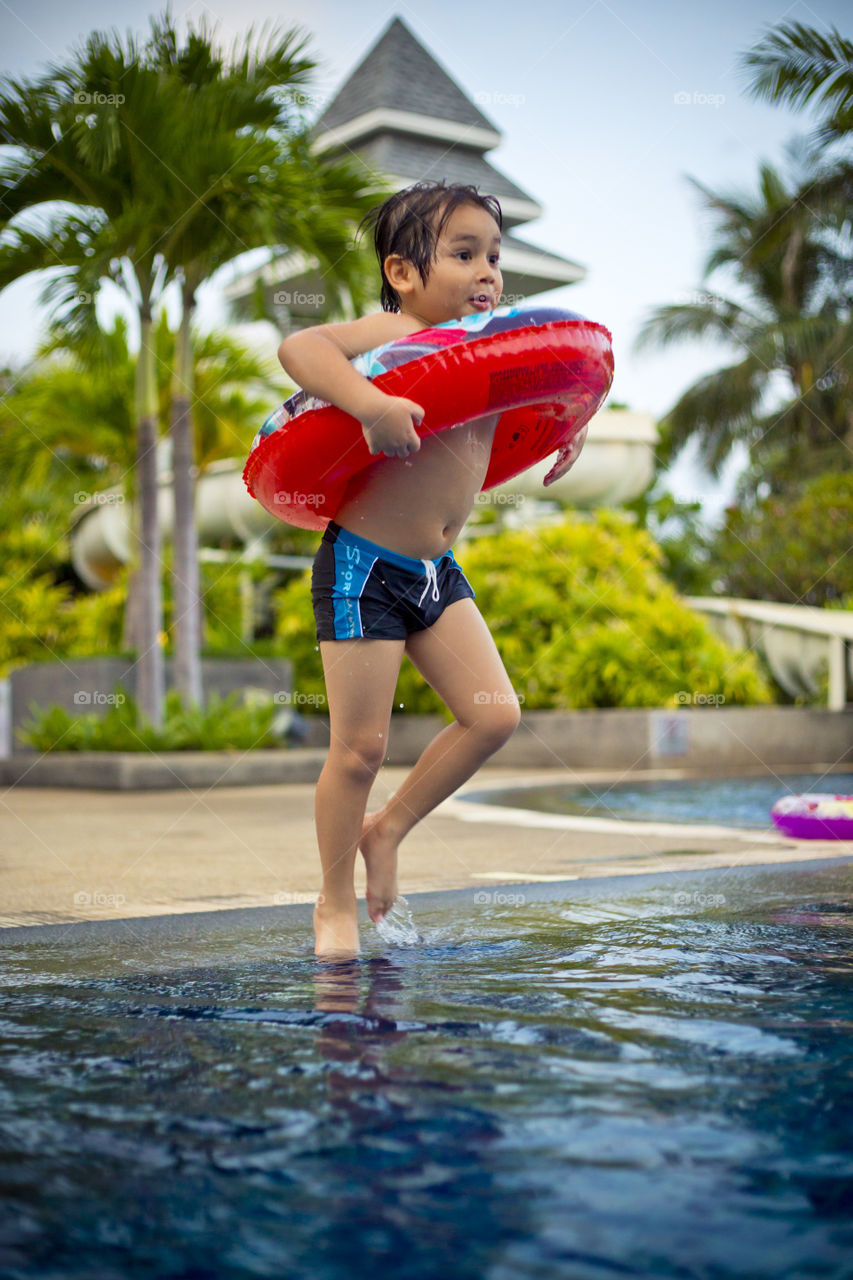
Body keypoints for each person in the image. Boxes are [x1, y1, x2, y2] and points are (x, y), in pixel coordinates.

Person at [278, 180, 522, 958]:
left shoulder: (490, 349)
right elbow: (300, 350)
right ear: (403, 273)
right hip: (364, 565)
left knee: (493, 715)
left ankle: (387, 833)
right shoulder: (394, 331)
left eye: (493, 254)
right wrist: (369, 404)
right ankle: (332, 902)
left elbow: (534, 410)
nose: (486, 269)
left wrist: (567, 426)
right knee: (359, 750)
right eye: (462, 253)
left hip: (434, 570)